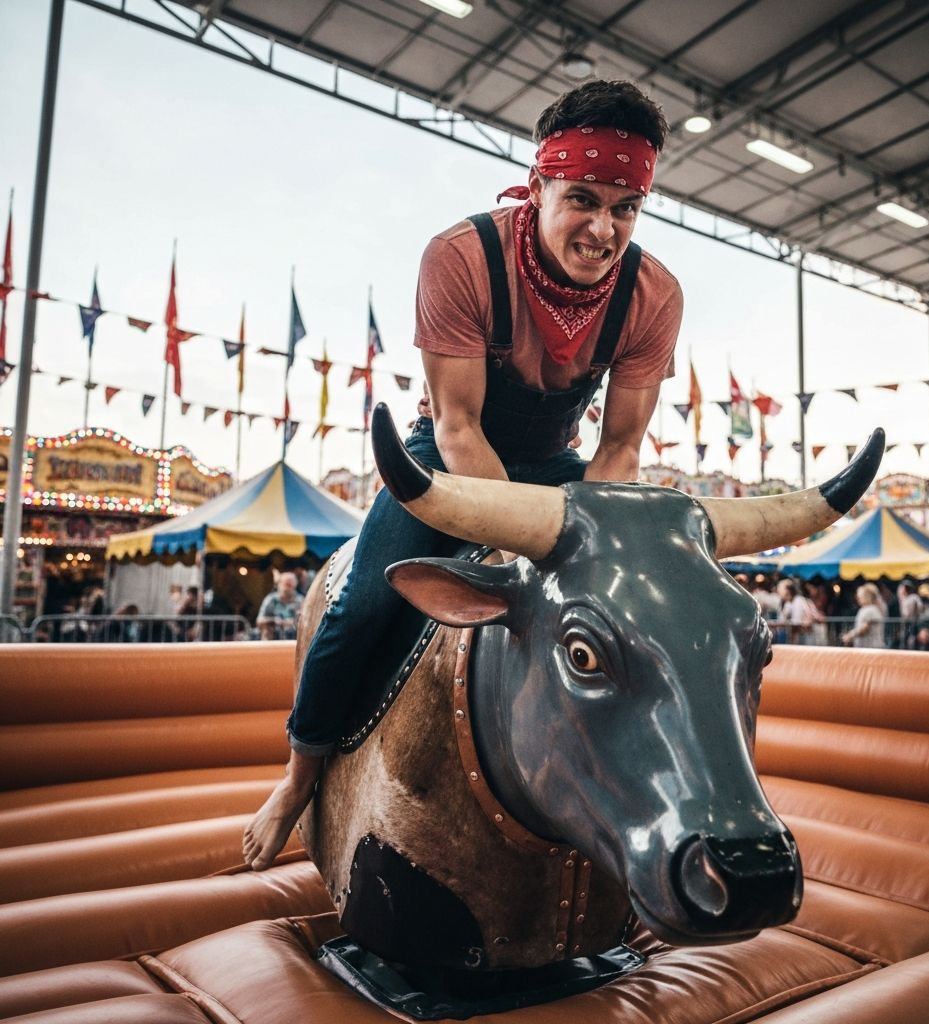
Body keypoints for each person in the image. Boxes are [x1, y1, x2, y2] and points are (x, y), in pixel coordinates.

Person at [242, 79, 683, 871]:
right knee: (367, 600)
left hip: (559, 462)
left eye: (626, 208)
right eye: (583, 198)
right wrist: (518, 549)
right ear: (539, 182)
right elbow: (458, 425)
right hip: (447, 453)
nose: (604, 227)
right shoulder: (461, 256)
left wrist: (580, 547)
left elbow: (619, 451)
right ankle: (301, 772)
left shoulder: (654, 293)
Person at [256, 573, 304, 641]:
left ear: (295, 585)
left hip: (294, 637)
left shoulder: (300, 600)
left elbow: (307, 622)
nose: (288, 588)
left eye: (290, 585)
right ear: (279, 584)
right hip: (273, 637)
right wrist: (274, 621)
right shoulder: (271, 599)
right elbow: (259, 621)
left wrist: (294, 622)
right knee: (266, 630)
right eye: (286, 584)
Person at [841, 583, 886, 648]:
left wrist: (850, 635)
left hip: (871, 647)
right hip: (866, 647)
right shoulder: (868, 609)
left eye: (860, 597)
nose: (858, 598)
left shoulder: (871, 609)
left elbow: (864, 628)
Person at [776, 578, 818, 645]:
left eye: (780, 588)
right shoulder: (787, 603)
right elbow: (781, 620)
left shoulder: (798, 601)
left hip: (805, 638)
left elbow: (796, 622)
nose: (778, 590)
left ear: (787, 590)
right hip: (797, 639)